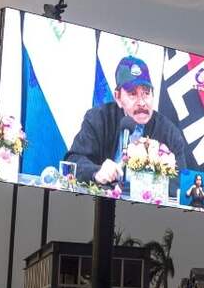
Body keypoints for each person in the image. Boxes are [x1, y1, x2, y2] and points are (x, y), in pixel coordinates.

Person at [65, 56, 193, 196]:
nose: (142, 103)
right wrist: (97, 171)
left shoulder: (169, 132)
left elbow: (181, 182)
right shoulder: (98, 119)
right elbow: (73, 161)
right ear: (118, 97)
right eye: (133, 94)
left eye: (146, 93)